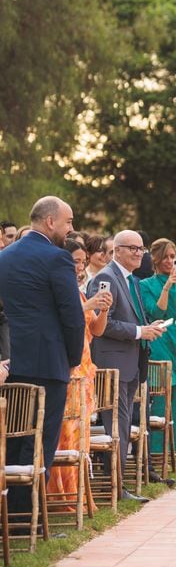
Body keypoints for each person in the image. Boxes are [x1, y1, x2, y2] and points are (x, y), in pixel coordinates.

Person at [0, 198, 87, 524]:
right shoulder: (56, 258)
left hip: (15, 360)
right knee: (41, 443)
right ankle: (27, 519)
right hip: (49, 364)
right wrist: (73, 358)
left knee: (16, 438)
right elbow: (73, 316)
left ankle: (10, 516)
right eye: (68, 221)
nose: (70, 229)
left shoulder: (4, 257)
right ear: (50, 222)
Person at [87, 229, 167, 502]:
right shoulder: (106, 277)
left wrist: (148, 328)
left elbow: (133, 318)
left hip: (131, 362)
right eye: (131, 248)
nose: (138, 253)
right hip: (112, 363)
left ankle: (119, 484)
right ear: (116, 250)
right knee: (116, 426)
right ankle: (116, 487)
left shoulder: (131, 279)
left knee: (122, 424)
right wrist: (138, 332)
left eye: (141, 248)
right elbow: (101, 323)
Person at [47, 240, 112, 509]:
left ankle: (78, 492)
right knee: (65, 433)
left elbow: (95, 331)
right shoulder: (58, 291)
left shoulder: (80, 292)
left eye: (83, 261)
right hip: (68, 367)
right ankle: (61, 495)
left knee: (81, 434)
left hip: (86, 369)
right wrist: (88, 306)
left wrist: (103, 308)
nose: (80, 266)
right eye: (75, 260)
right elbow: (59, 320)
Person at [139, 238, 176, 476]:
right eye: (166, 256)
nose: (170, 261)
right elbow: (156, 311)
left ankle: (169, 455)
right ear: (156, 259)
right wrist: (167, 286)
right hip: (160, 341)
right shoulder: (146, 284)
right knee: (160, 398)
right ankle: (153, 455)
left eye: (173, 256)